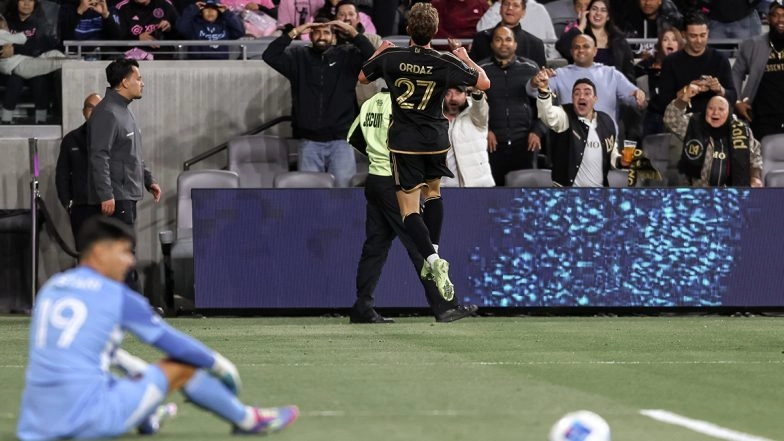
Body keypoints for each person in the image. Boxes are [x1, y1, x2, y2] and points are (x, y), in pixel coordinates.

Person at [16, 216, 298, 441]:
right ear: (100, 252)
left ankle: (148, 416)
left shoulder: (53, 287)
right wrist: (220, 364)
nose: (131, 260)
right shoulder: (118, 296)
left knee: (104, 377)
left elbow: (81, 349)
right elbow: (173, 343)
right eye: (124, 252)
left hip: (35, 425)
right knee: (181, 367)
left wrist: (131, 365)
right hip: (86, 422)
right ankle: (248, 420)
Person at [359, 2, 491, 301]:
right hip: (436, 140)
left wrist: (379, 52)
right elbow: (484, 82)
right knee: (433, 194)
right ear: (434, 30)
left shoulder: (392, 57)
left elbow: (363, 78)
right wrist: (466, 56)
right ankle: (437, 252)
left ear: (408, 29)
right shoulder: (444, 61)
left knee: (408, 208)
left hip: (405, 141)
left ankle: (432, 261)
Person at [347, 89, 480, 323]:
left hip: (375, 179)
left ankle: (362, 306)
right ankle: (444, 306)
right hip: (395, 182)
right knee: (421, 245)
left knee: (375, 247)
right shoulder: (403, 106)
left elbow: (353, 137)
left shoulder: (371, 103)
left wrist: (377, 155)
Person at [262, 18, 375, 187]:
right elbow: (269, 55)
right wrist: (296, 31)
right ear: (311, 35)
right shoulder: (298, 57)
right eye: (317, 32)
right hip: (309, 143)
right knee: (310, 199)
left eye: (326, 32)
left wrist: (353, 33)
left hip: (341, 143)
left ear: (334, 37)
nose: (321, 36)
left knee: (343, 197)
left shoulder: (348, 57)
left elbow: (374, 58)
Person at [87, 58, 162, 291]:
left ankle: (125, 307)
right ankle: (128, 307)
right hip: (116, 197)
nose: (142, 83)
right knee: (122, 253)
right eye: (138, 78)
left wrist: (148, 179)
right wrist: (106, 193)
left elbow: (131, 154)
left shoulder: (123, 111)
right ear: (123, 82)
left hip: (127, 193)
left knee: (125, 250)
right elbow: (99, 156)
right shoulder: (107, 113)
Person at [528, 34, 646, 138]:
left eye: (585, 46)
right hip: (571, 142)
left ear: (595, 51)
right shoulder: (559, 74)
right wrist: (535, 82)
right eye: (577, 47)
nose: (581, 50)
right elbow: (534, 92)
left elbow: (635, 100)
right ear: (571, 52)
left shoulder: (611, 74)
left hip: (606, 142)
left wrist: (640, 98)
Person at [480, 25, 547, 185]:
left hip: (524, 144)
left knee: (523, 199)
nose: (504, 43)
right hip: (491, 145)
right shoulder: (480, 70)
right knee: (492, 198)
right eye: (498, 39)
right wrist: (485, 131)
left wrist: (537, 130)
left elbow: (547, 103)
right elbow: (470, 107)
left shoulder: (531, 68)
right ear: (491, 44)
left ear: (515, 44)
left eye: (508, 39)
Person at [531, 73, 623, 187]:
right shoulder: (565, 115)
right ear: (572, 98)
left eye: (587, 93)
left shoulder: (606, 121)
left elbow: (612, 154)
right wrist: (544, 90)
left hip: (599, 194)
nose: (582, 97)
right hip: (568, 194)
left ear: (595, 99)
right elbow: (547, 115)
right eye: (577, 93)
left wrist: (620, 160)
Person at [664, 85, 763, 187]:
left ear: (729, 112)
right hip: (698, 192)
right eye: (711, 108)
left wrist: (755, 177)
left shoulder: (741, 129)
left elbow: (755, 156)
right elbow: (671, 120)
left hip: (732, 193)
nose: (715, 113)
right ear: (705, 110)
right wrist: (684, 98)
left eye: (721, 109)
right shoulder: (694, 124)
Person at [653, 11, 736, 118]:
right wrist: (686, 91)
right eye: (693, 36)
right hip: (681, 122)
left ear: (708, 33)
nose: (699, 40)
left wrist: (720, 90)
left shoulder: (720, 59)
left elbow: (733, 97)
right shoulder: (671, 62)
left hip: (714, 120)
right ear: (684, 35)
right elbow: (663, 102)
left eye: (703, 35)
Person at [1, 0, 62, 124]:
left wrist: (15, 49)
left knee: (39, 77)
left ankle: (41, 120)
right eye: (23, 0)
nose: (26, 3)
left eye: (30, 0)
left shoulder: (41, 21)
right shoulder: (6, 21)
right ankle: (6, 120)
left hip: (34, 63)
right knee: (16, 78)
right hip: (11, 67)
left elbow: (40, 46)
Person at [732, 0, 784, 141]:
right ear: (767, 18)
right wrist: (737, 101)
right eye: (775, 15)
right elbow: (736, 74)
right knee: (761, 160)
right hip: (763, 117)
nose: (780, 20)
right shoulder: (752, 45)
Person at [56, 93, 102, 245]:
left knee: (106, 255)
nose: (94, 112)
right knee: (84, 252)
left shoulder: (114, 137)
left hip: (107, 207)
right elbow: (62, 174)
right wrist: (67, 203)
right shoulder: (71, 139)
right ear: (84, 112)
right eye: (90, 107)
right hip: (81, 208)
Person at [555, 0, 635, 82]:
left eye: (603, 10)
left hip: (613, 90)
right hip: (583, 90)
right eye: (594, 9)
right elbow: (561, 47)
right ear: (588, 12)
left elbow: (628, 71)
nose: (598, 13)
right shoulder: (579, 37)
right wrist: (581, 26)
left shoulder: (618, 40)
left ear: (608, 16)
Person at [441, 84, 495, 187]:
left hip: (476, 187)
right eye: (448, 93)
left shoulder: (475, 114)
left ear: (466, 94)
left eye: (458, 93)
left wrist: (477, 93)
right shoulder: (434, 118)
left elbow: (479, 107)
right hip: (444, 188)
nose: (453, 98)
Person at [635, 26, 683, 136]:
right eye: (665, 40)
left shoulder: (685, 66)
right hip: (652, 115)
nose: (669, 43)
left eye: (674, 40)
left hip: (676, 116)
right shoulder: (648, 66)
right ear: (660, 44)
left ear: (679, 44)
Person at [470, 0, 546, 68]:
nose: (510, 8)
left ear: (523, 13)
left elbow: (541, 77)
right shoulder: (481, 38)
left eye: (515, 5)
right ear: (500, 9)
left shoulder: (535, 44)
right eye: (506, 4)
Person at [175, 0, 245, 60]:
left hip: (221, 65)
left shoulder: (224, 25)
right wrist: (193, 8)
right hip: (197, 65)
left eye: (214, 8)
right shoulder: (194, 25)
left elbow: (240, 31)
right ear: (201, 11)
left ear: (218, 11)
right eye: (206, 8)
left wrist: (227, 13)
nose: (210, 11)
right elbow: (181, 27)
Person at [114, 0, 179, 59]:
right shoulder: (121, 8)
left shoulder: (165, 5)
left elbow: (181, 35)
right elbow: (116, 41)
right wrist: (138, 39)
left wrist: (169, 29)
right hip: (131, 59)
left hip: (161, 57)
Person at [58, 0, 123, 59]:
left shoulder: (109, 7)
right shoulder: (67, 8)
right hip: (74, 54)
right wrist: (79, 11)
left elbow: (117, 38)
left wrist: (105, 15)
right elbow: (63, 37)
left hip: (103, 54)